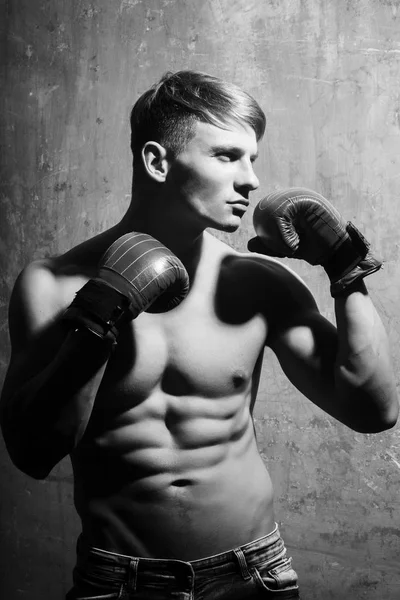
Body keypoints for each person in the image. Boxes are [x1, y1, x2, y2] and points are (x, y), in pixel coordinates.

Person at [0, 70, 398, 600]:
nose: (251, 179)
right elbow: (31, 453)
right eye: (227, 156)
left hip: (253, 573)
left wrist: (345, 271)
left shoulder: (258, 282)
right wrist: (97, 320)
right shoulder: (50, 286)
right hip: (120, 582)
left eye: (252, 158)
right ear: (158, 161)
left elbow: (374, 409)